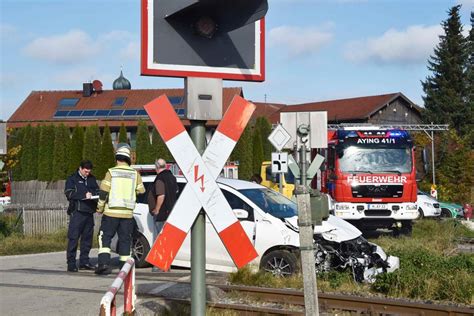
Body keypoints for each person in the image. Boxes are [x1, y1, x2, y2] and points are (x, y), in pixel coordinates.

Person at [95, 144, 145, 275]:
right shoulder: (135, 174)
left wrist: (99, 207)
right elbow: (141, 191)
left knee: (105, 238)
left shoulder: (111, 172)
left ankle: (104, 265)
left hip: (111, 212)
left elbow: (103, 192)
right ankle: (124, 268)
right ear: (128, 159)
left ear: (117, 158)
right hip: (127, 214)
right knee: (125, 239)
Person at [64, 160, 99, 272]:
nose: (87, 173)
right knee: (73, 238)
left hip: (89, 212)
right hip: (77, 212)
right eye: (85, 171)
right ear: (80, 168)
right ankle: (71, 263)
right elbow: (69, 193)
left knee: (87, 239)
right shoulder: (72, 179)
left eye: (89, 171)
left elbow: (97, 191)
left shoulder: (92, 179)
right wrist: (83, 195)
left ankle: (84, 261)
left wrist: (94, 196)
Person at [148, 158, 178, 272]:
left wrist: (156, 209)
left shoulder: (160, 179)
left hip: (162, 213)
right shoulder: (172, 178)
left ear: (156, 167)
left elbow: (161, 195)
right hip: (170, 213)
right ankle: (167, 265)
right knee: (167, 240)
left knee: (159, 239)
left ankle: (158, 265)